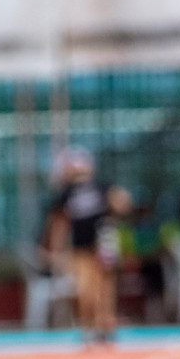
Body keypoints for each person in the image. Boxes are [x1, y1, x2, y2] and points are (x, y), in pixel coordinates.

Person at [44, 148, 121, 347]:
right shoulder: (66, 193)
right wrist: (56, 250)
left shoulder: (101, 186)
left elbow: (120, 206)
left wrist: (118, 201)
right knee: (85, 290)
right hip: (80, 248)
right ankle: (88, 325)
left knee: (104, 288)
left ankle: (106, 325)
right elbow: (59, 223)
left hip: (102, 246)